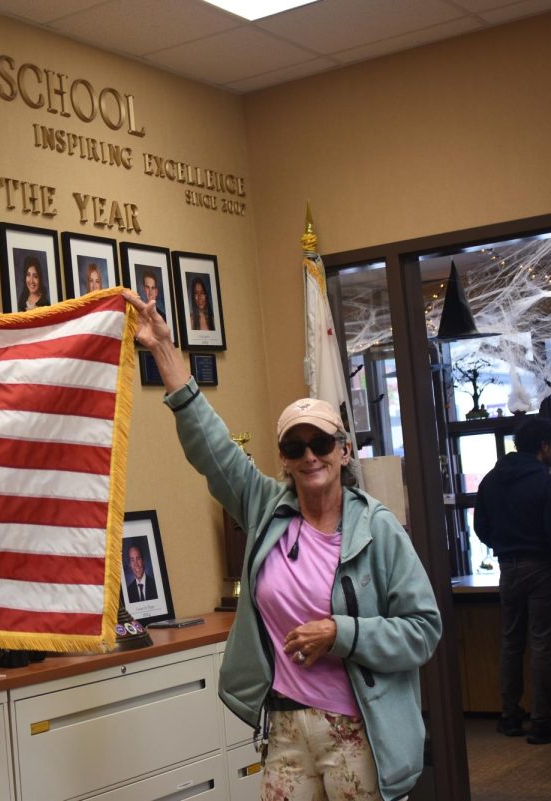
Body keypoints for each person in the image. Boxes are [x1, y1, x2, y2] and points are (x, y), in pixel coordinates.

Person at [124, 291, 441, 801]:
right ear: (284, 458)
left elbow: (423, 631)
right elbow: (212, 448)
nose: (310, 456)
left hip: (359, 730)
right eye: (295, 447)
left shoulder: (378, 529)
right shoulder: (265, 507)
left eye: (320, 443)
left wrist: (342, 632)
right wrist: (163, 349)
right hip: (285, 730)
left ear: (343, 449)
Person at [472, 415, 551, 745]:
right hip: (541, 566)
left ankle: (509, 715)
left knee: (511, 642)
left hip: (508, 567)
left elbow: (480, 527)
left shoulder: (491, 480)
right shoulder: (544, 480)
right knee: (542, 643)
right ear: (544, 447)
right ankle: (543, 721)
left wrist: (502, 545)